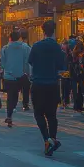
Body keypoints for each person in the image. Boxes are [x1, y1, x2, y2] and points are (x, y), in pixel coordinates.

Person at [28, 20, 66, 156]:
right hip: (52, 84)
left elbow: (30, 62)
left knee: (38, 113)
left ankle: (47, 139)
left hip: (38, 83)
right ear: (54, 31)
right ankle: (53, 139)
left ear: (43, 31)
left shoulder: (36, 46)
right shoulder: (57, 47)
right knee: (51, 115)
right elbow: (62, 67)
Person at [1, 30, 30, 128]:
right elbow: (27, 62)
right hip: (20, 75)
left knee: (10, 95)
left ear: (10, 38)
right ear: (19, 38)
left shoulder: (5, 48)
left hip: (8, 76)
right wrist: (27, 73)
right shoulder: (25, 47)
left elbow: (3, 63)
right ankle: (10, 112)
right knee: (16, 95)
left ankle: (9, 115)